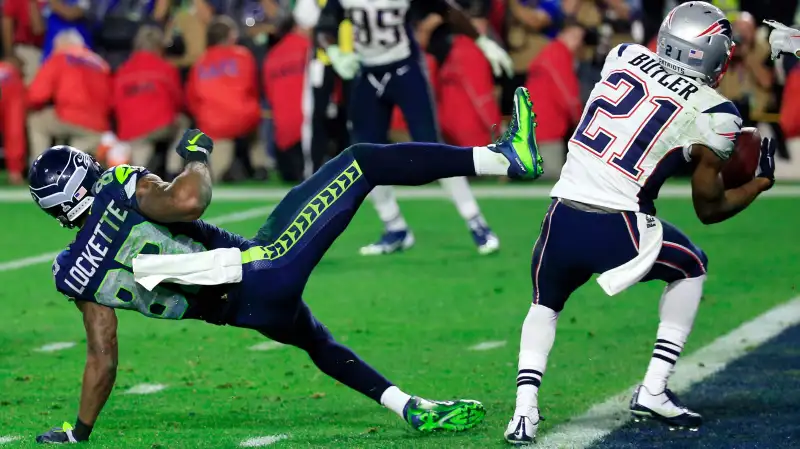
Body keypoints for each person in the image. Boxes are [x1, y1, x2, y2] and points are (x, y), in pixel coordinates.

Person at [30, 87, 543, 444]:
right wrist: (196, 157)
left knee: (317, 341)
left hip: (243, 311)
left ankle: (406, 405)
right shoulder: (118, 189)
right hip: (262, 267)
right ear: (83, 177)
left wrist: (79, 431)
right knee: (361, 161)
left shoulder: (75, 271)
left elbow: (103, 358)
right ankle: (504, 158)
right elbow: (189, 202)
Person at [502, 3, 777, 444]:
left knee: (545, 304)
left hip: (561, 216)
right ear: (711, 55)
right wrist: (759, 183)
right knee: (692, 265)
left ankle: (523, 412)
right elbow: (709, 209)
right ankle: (653, 388)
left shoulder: (623, 55)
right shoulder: (717, 112)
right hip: (620, 227)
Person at [316, 0, 515, 256]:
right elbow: (324, 27)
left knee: (432, 147)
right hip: (367, 73)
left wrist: (481, 41)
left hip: (404, 69)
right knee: (362, 155)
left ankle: (475, 220)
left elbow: (446, 9)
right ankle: (394, 227)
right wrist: (333, 51)